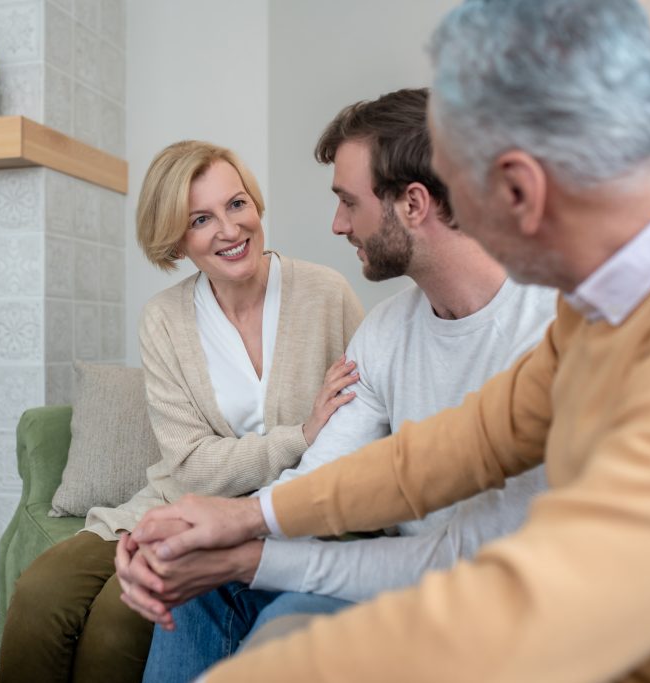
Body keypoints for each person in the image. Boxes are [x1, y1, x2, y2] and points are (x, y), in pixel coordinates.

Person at [127, 0, 650, 681]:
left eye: (461, 187)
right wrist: (243, 520)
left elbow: (528, 598)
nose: (457, 218)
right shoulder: (602, 307)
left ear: (518, 189)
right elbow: (450, 450)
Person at [122, 89, 556, 683]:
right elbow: (317, 482)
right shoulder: (385, 332)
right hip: (400, 581)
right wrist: (196, 538)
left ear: (413, 204)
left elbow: (472, 557)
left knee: (291, 627)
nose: (336, 224)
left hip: (509, 601)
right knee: (204, 589)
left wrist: (245, 551)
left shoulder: (552, 329)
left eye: (348, 203)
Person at [0, 140, 363, 683]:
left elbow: (365, 417)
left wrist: (314, 445)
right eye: (200, 218)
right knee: (39, 595)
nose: (230, 230)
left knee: (120, 620)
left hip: (280, 512)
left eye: (237, 205)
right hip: (177, 501)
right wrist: (302, 433)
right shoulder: (164, 319)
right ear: (176, 237)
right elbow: (191, 466)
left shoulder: (326, 295)